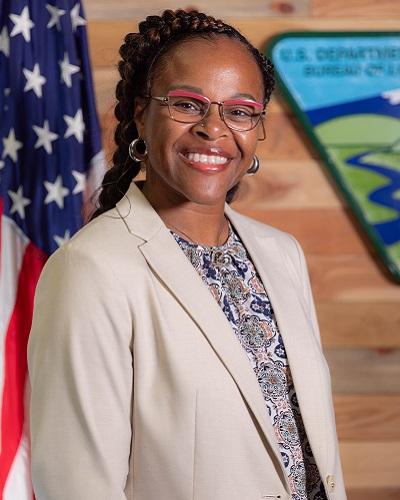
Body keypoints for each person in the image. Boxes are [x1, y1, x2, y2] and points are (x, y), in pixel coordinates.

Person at [28, 9, 347, 500]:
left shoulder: (281, 254)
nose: (214, 128)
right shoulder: (90, 270)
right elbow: (78, 485)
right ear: (140, 113)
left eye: (240, 111)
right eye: (188, 104)